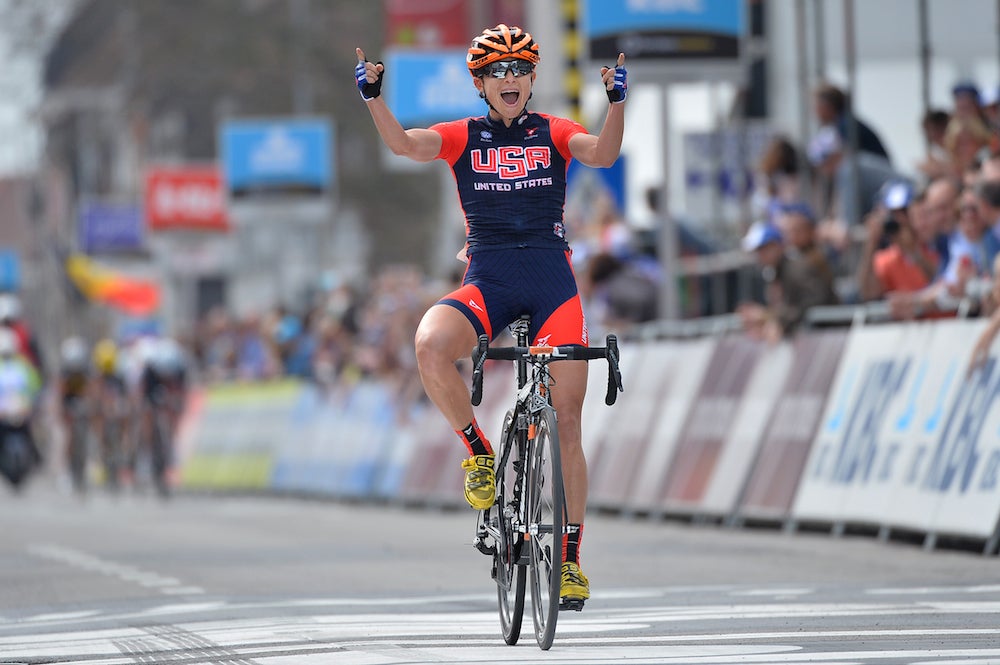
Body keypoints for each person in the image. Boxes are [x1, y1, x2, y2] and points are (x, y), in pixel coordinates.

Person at [356, 23, 627, 606]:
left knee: (570, 418)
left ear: (533, 78)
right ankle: (479, 452)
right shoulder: (462, 134)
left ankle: (571, 560)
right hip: (489, 279)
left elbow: (603, 155)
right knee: (430, 345)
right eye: (497, 70)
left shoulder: (554, 130)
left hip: (552, 283)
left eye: (520, 68)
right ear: (479, 82)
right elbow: (405, 145)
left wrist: (616, 104)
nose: (510, 78)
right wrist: (373, 98)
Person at [738, 220, 839, 342]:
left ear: (777, 246)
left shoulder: (796, 268)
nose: (760, 255)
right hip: (819, 334)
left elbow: (815, 300)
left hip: (826, 332)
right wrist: (767, 317)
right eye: (757, 251)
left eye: (763, 248)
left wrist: (780, 321)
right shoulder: (776, 272)